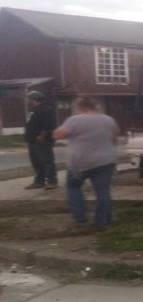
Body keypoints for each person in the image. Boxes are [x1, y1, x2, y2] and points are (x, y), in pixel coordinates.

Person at [52, 97, 120, 231]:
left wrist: (57, 131)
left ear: (80, 107)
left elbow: (58, 135)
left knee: (73, 187)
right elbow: (115, 138)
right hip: (105, 160)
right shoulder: (108, 119)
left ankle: (80, 217)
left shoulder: (75, 120)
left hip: (80, 162)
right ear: (96, 106)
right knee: (103, 192)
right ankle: (102, 220)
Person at [23, 91, 58, 190]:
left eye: (28, 98)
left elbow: (49, 124)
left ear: (34, 99)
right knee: (36, 162)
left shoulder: (46, 109)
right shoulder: (33, 110)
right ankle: (39, 181)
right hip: (32, 140)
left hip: (42, 140)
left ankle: (52, 181)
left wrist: (42, 135)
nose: (27, 100)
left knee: (47, 161)